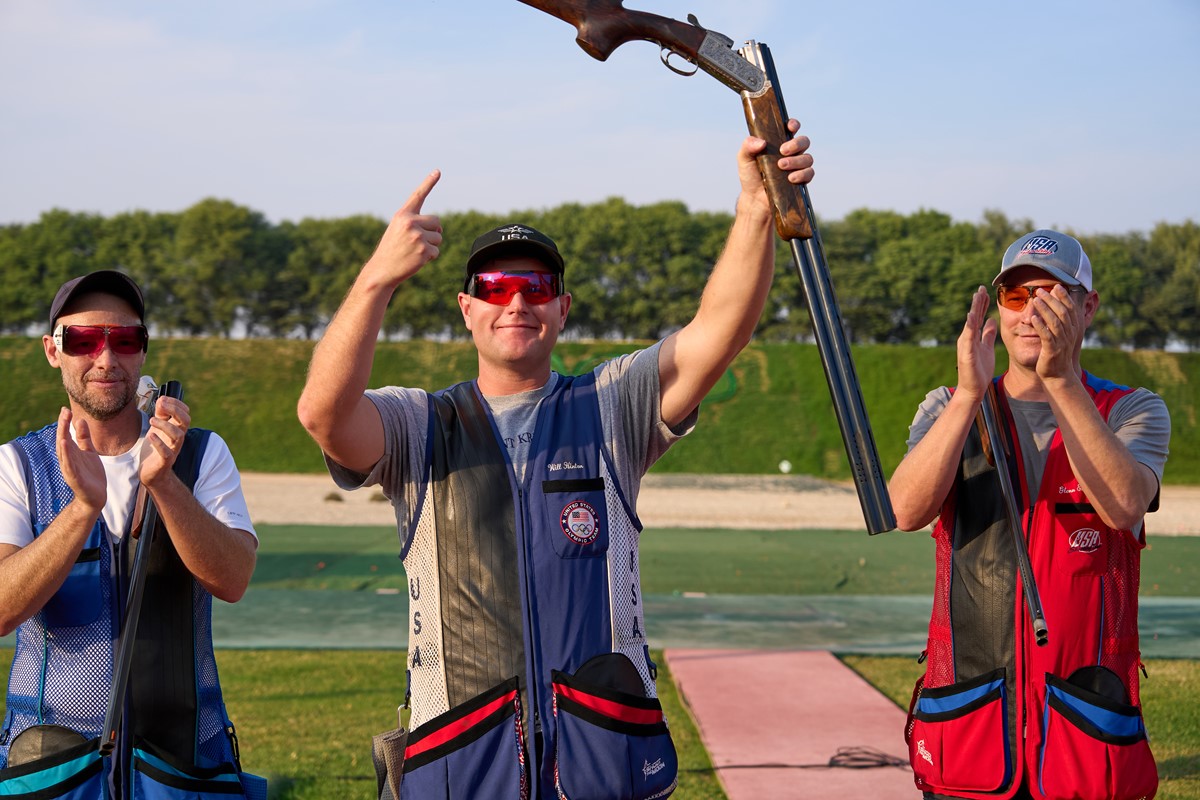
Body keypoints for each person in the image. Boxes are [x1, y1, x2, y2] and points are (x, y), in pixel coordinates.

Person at [297, 121, 813, 799]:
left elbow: (721, 329)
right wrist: (375, 282)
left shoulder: (610, 406)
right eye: (496, 285)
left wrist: (753, 204)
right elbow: (324, 415)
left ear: (562, 308)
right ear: (467, 308)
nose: (516, 301)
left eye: (536, 287)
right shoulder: (420, 424)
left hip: (600, 757)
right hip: (464, 762)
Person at [888, 230, 1170, 800]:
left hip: (1085, 730)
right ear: (998, 307)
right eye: (1016, 297)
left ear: (1087, 306)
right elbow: (905, 510)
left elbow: (1123, 508)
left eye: (1052, 296)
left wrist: (1062, 380)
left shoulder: (1133, 409)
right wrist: (970, 395)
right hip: (971, 721)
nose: (1031, 313)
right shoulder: (948, 405)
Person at [0, 271, 265, 798]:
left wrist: (164, 483)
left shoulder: (200, 454)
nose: (105, 358)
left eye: (123, 340)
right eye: (82, 340)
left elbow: (233, 579)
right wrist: (82, 509)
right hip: (53, 767)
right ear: (53, 350)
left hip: (184, 766)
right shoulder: (18, 465)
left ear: (143, 352)